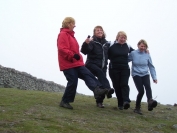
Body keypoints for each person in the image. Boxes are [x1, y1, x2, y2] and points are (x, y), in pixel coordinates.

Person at [57, 17, 108, 109]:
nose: (74, 25)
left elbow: (75, 49)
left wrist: (78, 56)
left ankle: (97, 89)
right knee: (73, 81)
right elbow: (62, 49)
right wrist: (72, 55)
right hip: (68, 63)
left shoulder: (71, 35)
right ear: (68, 24)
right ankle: (65, 101)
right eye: (73, 23)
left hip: (77, 62)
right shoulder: (63, 34)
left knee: (87, 74)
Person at [81, 26, 114, 108]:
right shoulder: (92, 41)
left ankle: (99, 102)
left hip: (103, 66)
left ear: (103, 32)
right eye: (97, 30)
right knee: (100, 74)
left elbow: (111, 54)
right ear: (94, 33)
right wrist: (86, 43)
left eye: (101, 30)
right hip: (91, 65)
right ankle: (108, 89)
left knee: (101, 83)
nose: (99, 31)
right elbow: (84, 51)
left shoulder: (107, 43)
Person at [128, 39, 157, 115]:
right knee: (141, 91)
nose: (143, 48)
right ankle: (137, 108)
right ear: (138, 45)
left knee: (148, 86)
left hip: (145, 74)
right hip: (136, 74)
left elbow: (151, 66)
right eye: (141, 46)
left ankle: (150, 102)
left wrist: (154, 77)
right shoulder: (133, 53)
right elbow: (126, 59)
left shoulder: (147, 54)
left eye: (144, 46)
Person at [108, 31, 134, 110]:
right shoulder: (111, 44)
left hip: (125, 68)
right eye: (121, 37)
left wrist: (145, 51)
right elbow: (104, 52)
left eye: (124, 38)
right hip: (113, 68)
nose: (123, 39)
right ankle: (120, 103)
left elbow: (135, 53)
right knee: (117, 86)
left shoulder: (128, 46)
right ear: (117, 37)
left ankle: (126, 101)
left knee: (124, 84)